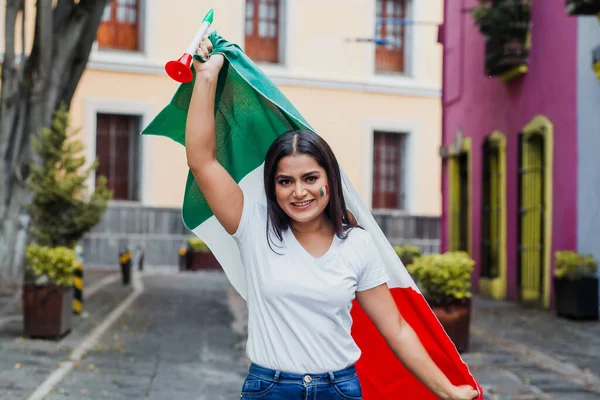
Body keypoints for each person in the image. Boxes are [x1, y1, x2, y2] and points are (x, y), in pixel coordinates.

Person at [186, 36, 480, 400]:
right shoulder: (252, 226)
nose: (299, 192)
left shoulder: (356, 244)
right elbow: (202, 160)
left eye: (310, 178)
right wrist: (206, 77)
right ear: (273, 188)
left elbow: (397, 329)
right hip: (270, 389)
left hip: (338, 390)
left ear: (329, 180)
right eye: (285, 181)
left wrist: (448, 391)